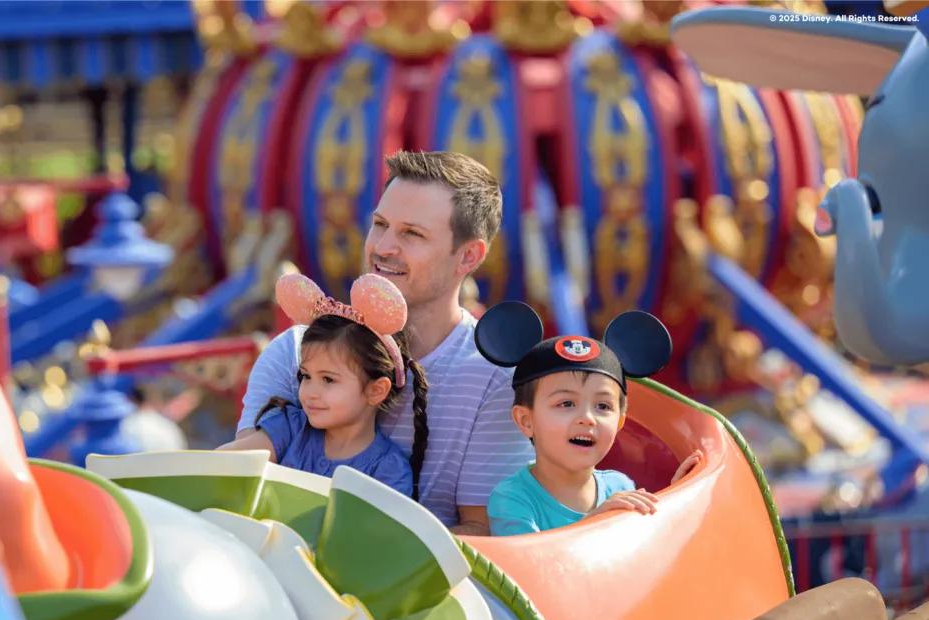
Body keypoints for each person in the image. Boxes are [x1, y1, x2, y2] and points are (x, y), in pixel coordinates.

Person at [221, 150, 534, 533]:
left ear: (468, 256)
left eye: (412, 234)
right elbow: (238, 485)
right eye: (380, 224)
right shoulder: (295, 351)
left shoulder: (494, 380)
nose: (383, 247)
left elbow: (483, 534)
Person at [474, 301, 701, 536]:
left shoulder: (620, 486)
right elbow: (526, 565)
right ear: (526, 421)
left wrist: (676, 498)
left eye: (603, 406)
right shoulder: (512, 498)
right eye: (566, 404)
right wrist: (595, 521)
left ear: (620, 422)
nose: (587, 418)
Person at [223, 272, 428, 497]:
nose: (309, 392)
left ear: (375, 390)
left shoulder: (389, 471)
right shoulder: (290, 427)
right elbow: (223, 465)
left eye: (328, 379)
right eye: (305, 376)